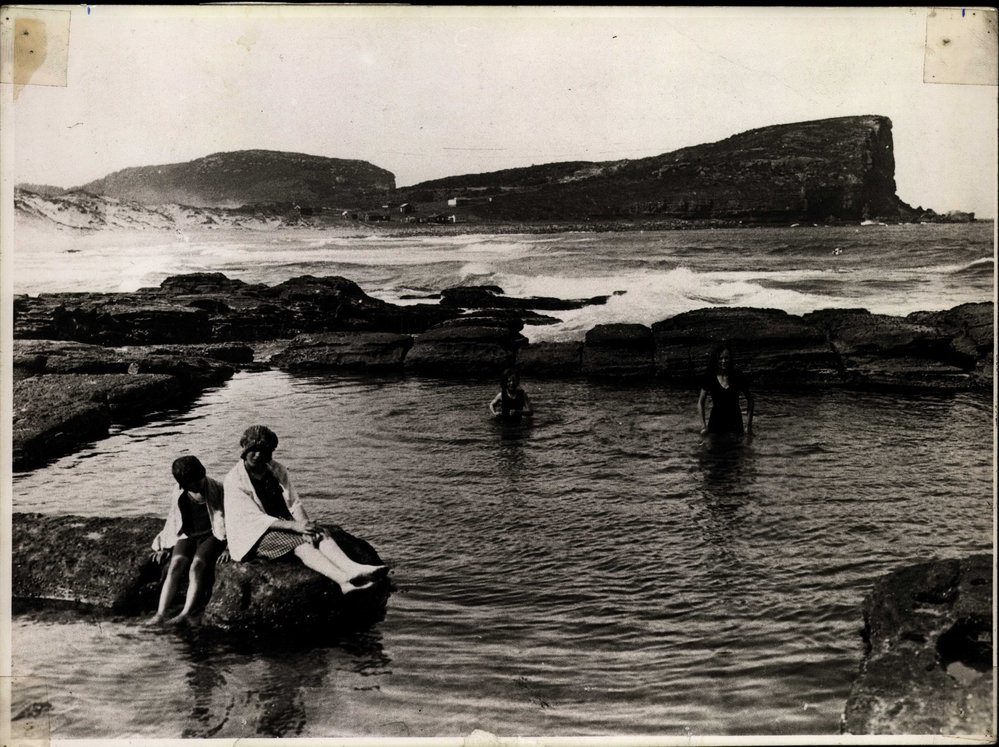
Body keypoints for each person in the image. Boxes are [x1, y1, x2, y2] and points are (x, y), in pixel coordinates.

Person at [222, 425, 388, 595]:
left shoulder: (276, 469)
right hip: (253, 534)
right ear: (245, 449)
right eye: (253, 450)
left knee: (317, 532)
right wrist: (295, 527)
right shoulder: (234, 479)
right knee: (299, 543)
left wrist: (304, 524)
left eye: (263, 451)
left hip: (280, 522)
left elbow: (293, 502)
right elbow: (253, 518)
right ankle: (343, 581)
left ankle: (353, 568)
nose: (257, 455)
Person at [148, 456, 229, 625]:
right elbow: (173, 519)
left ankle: (186, 613)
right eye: (190, 484)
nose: (196, 486)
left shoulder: (218, 489)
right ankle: (160, 614)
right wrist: (164, 546)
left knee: (197, 565)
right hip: (189, 534)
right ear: (183, 484)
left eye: (198, 481)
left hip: (212, 534)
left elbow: (231, 520)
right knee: (175, 565)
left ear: (203, 474)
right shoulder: (179, 492)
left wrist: (229, 547)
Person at [697, 345, 754, 437]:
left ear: (730, 359)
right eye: (720, 358)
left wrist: (748, 426)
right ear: (716, 359)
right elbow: (700, 402)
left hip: (735, 423)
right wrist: (703, 426)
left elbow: (750, 400)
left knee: (737, 450)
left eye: (726, 358)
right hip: (716, 423)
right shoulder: (710, 377)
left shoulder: (738, 376)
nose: (723, 361)